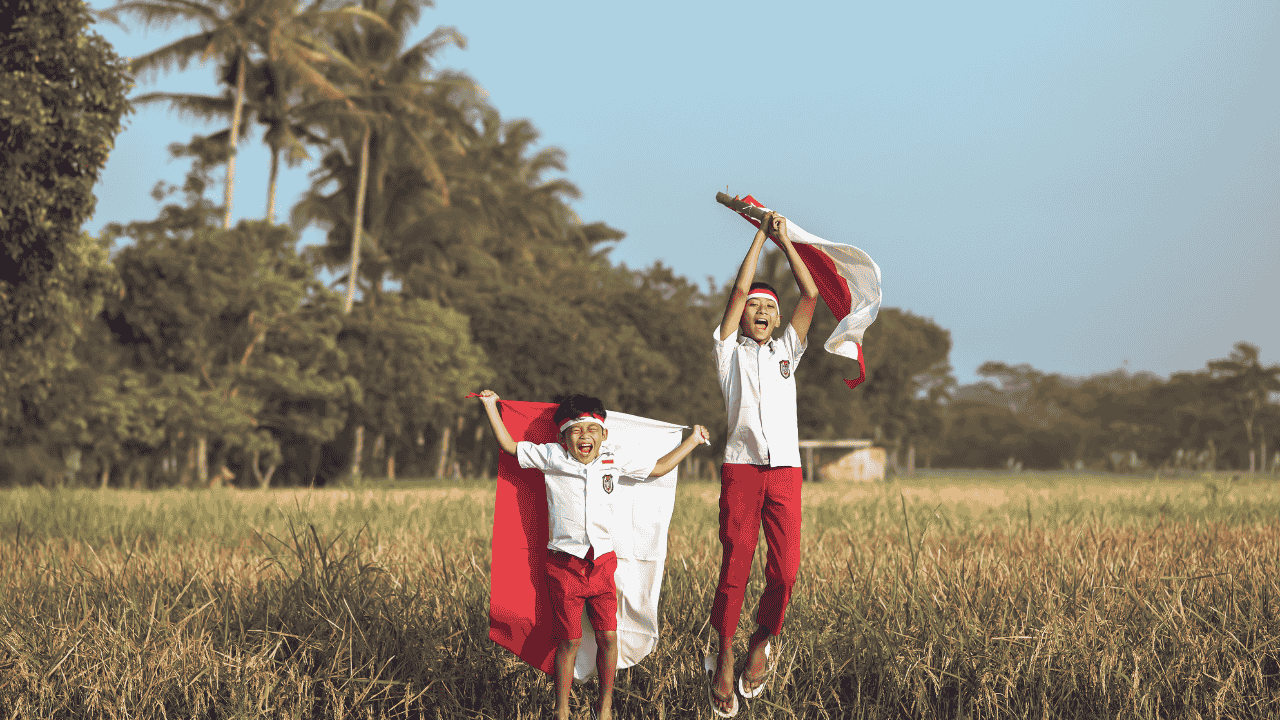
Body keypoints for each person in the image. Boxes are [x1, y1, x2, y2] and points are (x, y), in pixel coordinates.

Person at [476, 390, 710, 720]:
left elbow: (658, 468)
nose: (584, 436)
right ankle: (561, 710)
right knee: (569, 641)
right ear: (563, 437)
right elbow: (510, 446)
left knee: (609, 637)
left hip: (602, 564)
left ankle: (605, 706)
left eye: (591, 429)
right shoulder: (551, 456)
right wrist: (490, 406)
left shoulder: (614, 460)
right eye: (575, 430)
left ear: (604, 434)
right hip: (564, 565)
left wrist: (693, 440)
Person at [707, 211, 819, 717]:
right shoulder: (727, 352)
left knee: (786, 571)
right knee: (736, 564)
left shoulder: (787, 351)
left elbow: (810, 294)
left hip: (786, 472)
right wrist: (758, 235)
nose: (759, 310)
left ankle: (761, 639)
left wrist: (784, 240)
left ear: (776, 319)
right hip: (742, 469)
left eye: (767, 307)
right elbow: (736, 291)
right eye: (753, 305)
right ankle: (724, 651)